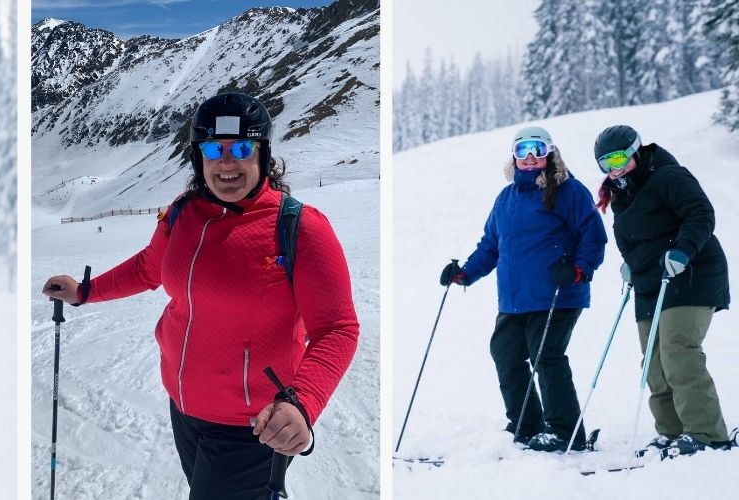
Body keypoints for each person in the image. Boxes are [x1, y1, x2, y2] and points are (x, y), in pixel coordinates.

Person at [41, 92, 359, 499]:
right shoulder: (181, 214)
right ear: (199, 157)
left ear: (262, 155)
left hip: (255, 427)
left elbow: (337, 328)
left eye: (242, 148)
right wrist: (85, 291)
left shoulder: (299, 227)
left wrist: (304, 402)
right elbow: (147, 268)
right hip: (185, 412)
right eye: (214, 149)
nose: (227, 162)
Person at [437, 127, 608, 451]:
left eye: (537, 149)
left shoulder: (568, 190)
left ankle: (565, 432)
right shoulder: (506, 198)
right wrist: (464, 274)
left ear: (549, 153)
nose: (530, 156)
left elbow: (593, 235)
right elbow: (491, 246)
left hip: (557, 293)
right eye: (523, 149)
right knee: (505, 353)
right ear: (514, 155)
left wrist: (578, 270)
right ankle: (526, 425)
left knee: (546, 355)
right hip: (515, 300)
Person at [592, 125, 733, 456]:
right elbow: (630, 243)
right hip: (650, 284)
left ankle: (706, 434)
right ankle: (671, 433)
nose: (612, 168)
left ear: (634, 151)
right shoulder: (620, 197)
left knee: (677, 351)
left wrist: (683, 250)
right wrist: (630, 265)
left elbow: (700, 214)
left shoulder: (668, 176)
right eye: (604, 163)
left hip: (690, 274)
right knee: (654, 362)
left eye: (617, 158)